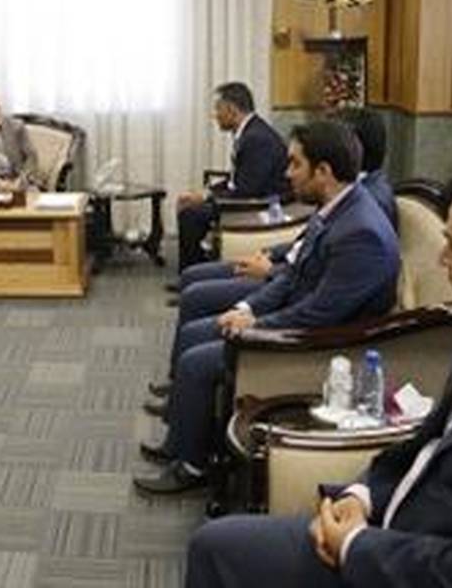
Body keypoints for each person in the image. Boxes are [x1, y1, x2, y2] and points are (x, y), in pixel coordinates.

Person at [185, 168, 452, 588]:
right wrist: (361, 495)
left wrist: (356, 547)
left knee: (218, 549)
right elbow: (431, 439)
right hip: (391, 525)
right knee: (218, 545)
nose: (441, 260)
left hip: (421, 562)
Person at [135, 121, 399, 494]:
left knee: (195, 361)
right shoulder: (338, 208)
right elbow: (292, 277)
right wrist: (249, 308)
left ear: (323, 172)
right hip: (298, 318)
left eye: (295, 164)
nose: (286, 173)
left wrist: (255, 326)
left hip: (319, 346)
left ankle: (193, 467)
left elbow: (319, 315)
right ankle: (180, 443)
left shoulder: (361, 233)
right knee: (196, 333)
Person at [173, 107, 397, 319]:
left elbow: (326, 288)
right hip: (288, 275)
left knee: (195, 297)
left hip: (297, 296)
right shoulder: (343, 189)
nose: (288, 173)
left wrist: (272, 271)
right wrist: (270, 253)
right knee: (192, 279)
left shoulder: (368, 203)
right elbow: (309, 243)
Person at [173, 82, 289, 273]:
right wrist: (205, 194)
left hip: (262, 206)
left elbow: (247, 191)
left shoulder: (256, 139)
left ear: (231, 109)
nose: (215, 115)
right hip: (251, 197)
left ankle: (191, 274)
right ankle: (196, 270)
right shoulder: (249, 132)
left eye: (218, 109)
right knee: (191, 207)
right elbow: (237, 180)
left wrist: (208, 199)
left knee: (190, 215)